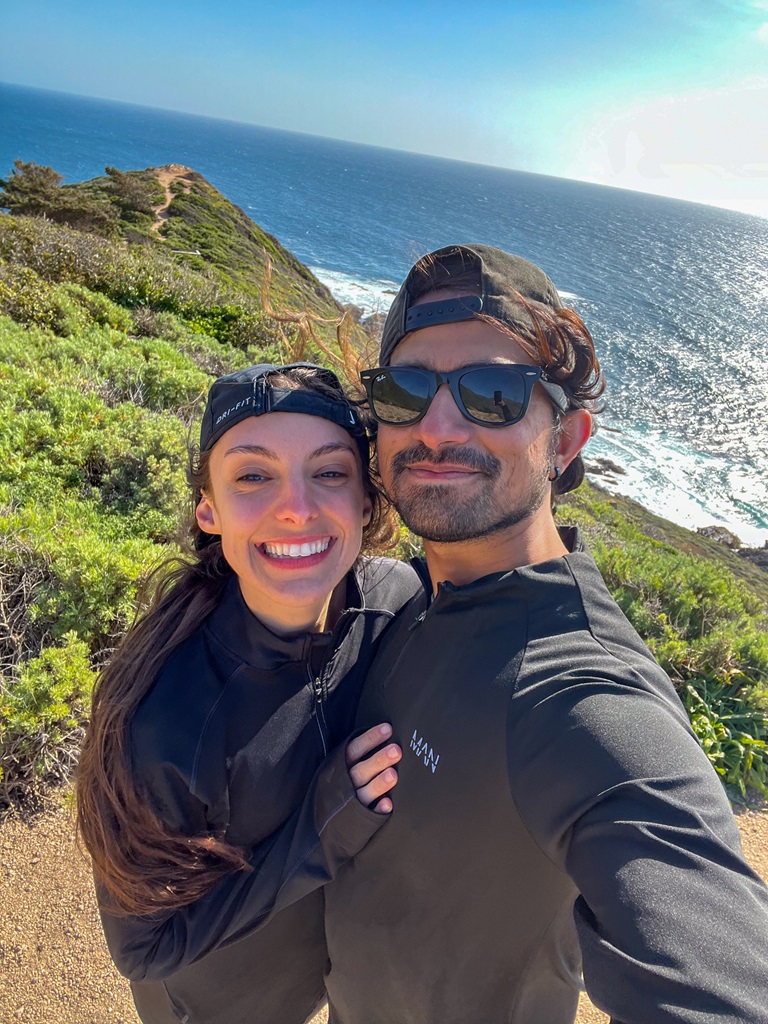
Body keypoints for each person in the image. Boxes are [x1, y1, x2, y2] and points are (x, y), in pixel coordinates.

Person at [323, 244, 768, 1024]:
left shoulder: (576, 690)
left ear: (565, 441)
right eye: (406, 389)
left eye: (492, 392)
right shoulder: (413, 595)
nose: (436, 425)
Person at [76, 362, 421, 1024]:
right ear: (210, 508)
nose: (296, 506)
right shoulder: (165, 722)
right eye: (253, 476)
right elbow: (143, 950)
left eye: (329, 473)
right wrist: (318, 834)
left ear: (365, 502)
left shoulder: (394, 601)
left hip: (318, 982)